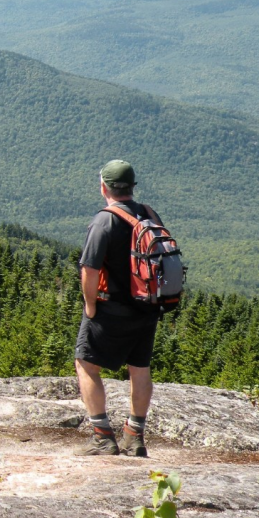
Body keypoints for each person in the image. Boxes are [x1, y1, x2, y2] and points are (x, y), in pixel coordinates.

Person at [74, 160, 163, 457]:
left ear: (104, 188)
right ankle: (134, 437)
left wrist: (90, 306)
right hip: (147, 308)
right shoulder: (148, 214)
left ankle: (102, 436)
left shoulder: (104, 221)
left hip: (111, 308)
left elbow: (89, 269)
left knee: (86, 363)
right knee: (140, 369)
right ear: (132, 187)